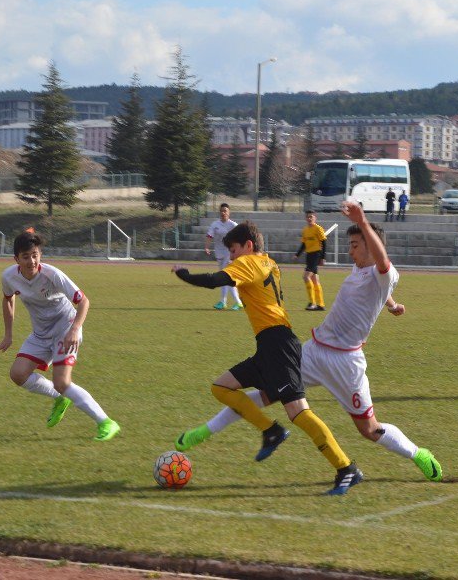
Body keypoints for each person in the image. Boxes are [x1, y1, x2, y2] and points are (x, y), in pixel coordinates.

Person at [175, 202, 443, 484]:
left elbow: (383, 269)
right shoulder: (361, 270)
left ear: (370, 244)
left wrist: (363, 222)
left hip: (347, 363)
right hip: (313, 352)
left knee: (369, 429)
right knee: (265, 394)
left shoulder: (385, 271)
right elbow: (379, 290)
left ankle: (418, 454)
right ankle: (204, 431)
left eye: (355, 244)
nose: (350, 251)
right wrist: (392, 304)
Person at [171, 221, 363, 495]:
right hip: (270, 344)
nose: (233, 257)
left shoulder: (249, 263)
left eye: (234, 250)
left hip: (278, 346)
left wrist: (184, 273)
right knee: (221, 387)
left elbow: (215, 281)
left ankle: (346, 468)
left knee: (299, 412)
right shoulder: (269, 263)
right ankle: (271, 431)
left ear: (248, 246)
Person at [0, 229, 119, 442]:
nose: (31, 261)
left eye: (35, 255)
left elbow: (84, 301)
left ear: (40, 254)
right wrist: (8, 336)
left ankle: (106, 422)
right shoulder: (9, 277)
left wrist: (75, 329)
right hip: (40, 333)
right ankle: (60, 398)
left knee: (62, 381)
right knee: (18, 374)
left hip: (65, 328)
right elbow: (8, 300)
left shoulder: (52, 274)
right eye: (25, 256)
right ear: (16, 259)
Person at [205, 203, 243, 310]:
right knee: (226, 278)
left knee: (225, 277)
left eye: (225, 211)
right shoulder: (215, 224)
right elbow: (209, 236)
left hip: (229, 254)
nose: (223, 213)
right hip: (219, 253)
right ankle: (228, 302)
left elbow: (242, 237)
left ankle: (229, 301)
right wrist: (207, 247)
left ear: (229, 212)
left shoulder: (233, 225)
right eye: (221, 211)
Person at [295, 210, 327, 311]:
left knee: (305, 277)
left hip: (316, 254)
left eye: (311, 217)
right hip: (309, 255)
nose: (309, 218)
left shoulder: (318, 229)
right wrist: (297, 254)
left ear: (315, 218)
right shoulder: (305, 230)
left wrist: (322, 257)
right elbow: (304, 244)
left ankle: (312, 303)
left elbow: (324, 243)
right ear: (306, 218)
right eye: (308, 217)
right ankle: (321, 304)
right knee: (315, 279)